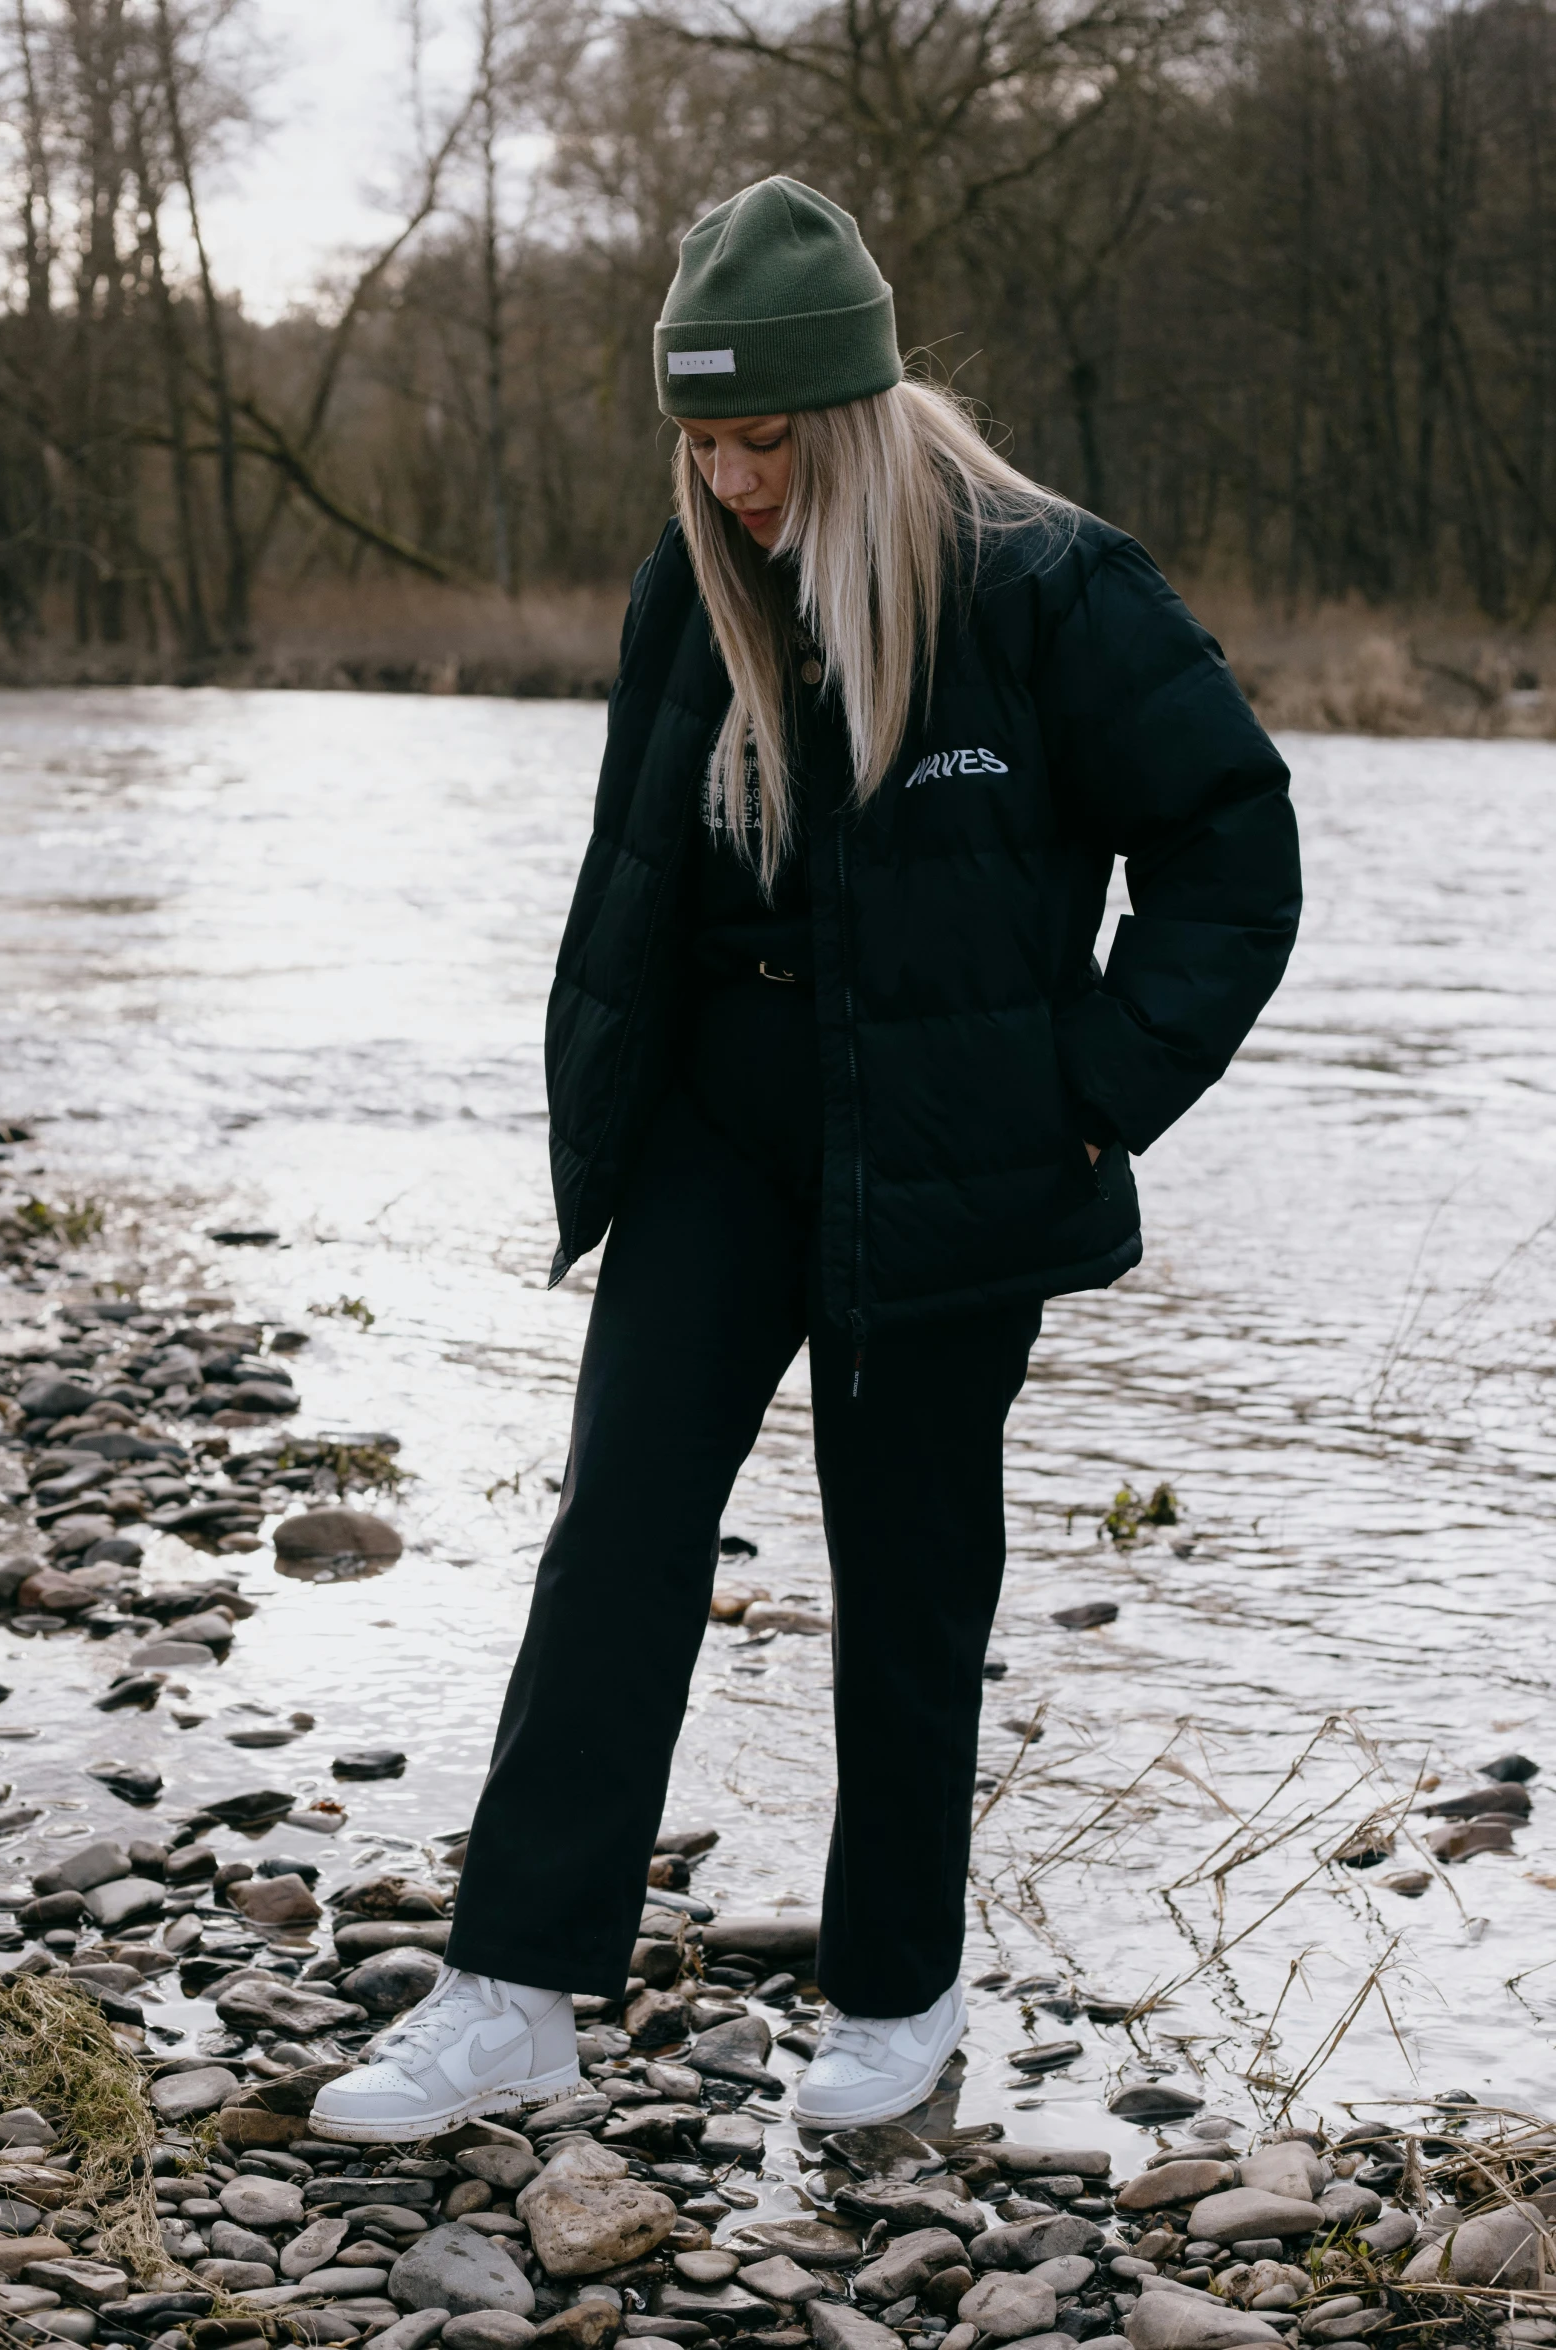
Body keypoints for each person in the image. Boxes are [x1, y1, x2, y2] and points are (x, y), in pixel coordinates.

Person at [312, 176, 1300, 2143]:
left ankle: (899, 1995)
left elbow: (1236, 849)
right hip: (719, 1132)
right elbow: (632, 875)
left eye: (767, 439)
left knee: (913, 1570)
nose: (739, 481)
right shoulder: (696, 570)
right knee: (618, 1529)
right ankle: (512, 1985)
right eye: (704, 441)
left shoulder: (1044, 580)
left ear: (846, 409)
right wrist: (605, 1109)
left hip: (951, 1149)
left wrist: (1085, 1092)